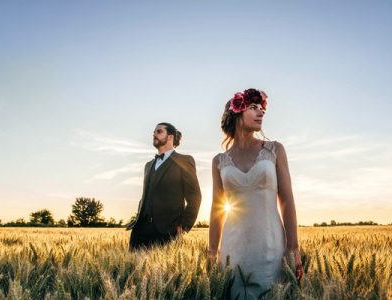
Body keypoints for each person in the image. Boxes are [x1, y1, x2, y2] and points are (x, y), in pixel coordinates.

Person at [209, 89, 303, 299]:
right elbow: (217, 209)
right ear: (236, 112)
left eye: (262, 109)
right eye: (253, 108)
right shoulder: (219, 161)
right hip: (233, 250)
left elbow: (286, 199)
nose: (260, 113)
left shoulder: (274, 150)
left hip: (270, 245)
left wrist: (293, 248)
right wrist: (212, 252)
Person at [127, 122, 202, 250]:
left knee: (161, 270)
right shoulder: (148, 165)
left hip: (166, 232)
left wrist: (184, 226)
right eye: (154, 133)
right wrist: (137, 219)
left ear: (170, 137)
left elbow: (195, 196)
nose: (154, 134)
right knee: (134, 269)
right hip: (140, 232)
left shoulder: (185, 160)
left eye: (159, 131)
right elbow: (146, 195)